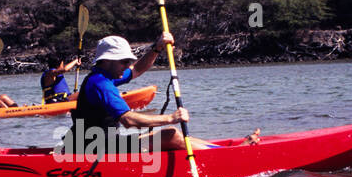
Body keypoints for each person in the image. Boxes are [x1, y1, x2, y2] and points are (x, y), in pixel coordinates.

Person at [67, 34, 259, 154]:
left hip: (99, 144)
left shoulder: (104, 75)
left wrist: (157, 48)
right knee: (170, 135)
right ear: (107, 61)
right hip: (95, 150)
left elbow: (137, 70)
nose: (127, 65)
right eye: (124, 61)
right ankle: (229, 156)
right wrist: (171, 118)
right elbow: (129, 121)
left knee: (178, 137)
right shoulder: (101, 84)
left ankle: (227, 151)